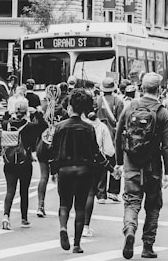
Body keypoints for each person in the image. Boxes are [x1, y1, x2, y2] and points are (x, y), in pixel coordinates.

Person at [50, 88, 117, 254]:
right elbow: (96, 152)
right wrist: (110, 168)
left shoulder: (60, 127)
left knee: (64, 204)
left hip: (65, 169)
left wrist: (53, 171)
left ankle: (63, 227)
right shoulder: (88, 128)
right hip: (84, 170)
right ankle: (77, 244)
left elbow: (53, 152)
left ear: (71, 106)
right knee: (80, 207)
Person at [115, 72, 168, 259]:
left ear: (142, 88)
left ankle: (130, 229)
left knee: (131, 202)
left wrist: (119, 162)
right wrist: (167, 171)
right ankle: (147, 247)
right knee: (153, 206)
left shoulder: (130, 107)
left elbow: (118, 134)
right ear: (159, 89)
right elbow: (166, 145)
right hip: (152, 167)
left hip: (132, 165)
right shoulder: (162, 112)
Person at [1, 98, 47, 230]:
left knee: (10, 190)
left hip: (9, 162)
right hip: (24, 162)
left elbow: (2, 120)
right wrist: (37, 113)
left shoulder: (7, 124)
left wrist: (7, 114)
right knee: (23, 191)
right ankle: (24, 218)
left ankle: (5, 215)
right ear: (26, 111)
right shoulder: (30, 127)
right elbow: (43, 126)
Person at [82, 102, 116, 237]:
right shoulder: (102, 127)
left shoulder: (81, 126)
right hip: (95, 164)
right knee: (90, 193)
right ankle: (85, 226)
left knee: (77, 196)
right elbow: (109, 151)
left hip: (78, 163)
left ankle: (67, 226)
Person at [36, 84, 68, 218]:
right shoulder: (64, 112)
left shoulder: (42, 110)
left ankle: (40, 206)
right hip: (58, 147)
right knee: (61, 178)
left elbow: (37, 129)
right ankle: (62, 207)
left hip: (43, 145)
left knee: (44, 176)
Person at [96, 77, 124, 203]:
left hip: (99, 134)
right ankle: (113, 191)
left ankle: (101, 193)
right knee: (115, 162)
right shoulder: (118, 101)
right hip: (113, 135)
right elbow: (121, 122)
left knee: (101, 162)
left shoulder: (97, 101)